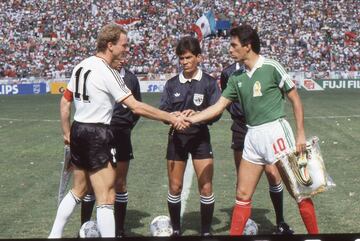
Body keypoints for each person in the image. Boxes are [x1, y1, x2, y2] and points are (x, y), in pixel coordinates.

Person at [48, 23, 188, 238]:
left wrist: (67, 134)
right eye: (124, 45)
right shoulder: (108, 72)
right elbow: (137, 106)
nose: (126, 50)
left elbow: (65, 103)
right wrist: (171, 117)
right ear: (110, 45)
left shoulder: (81, 66)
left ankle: (54, 235)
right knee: (106, 197)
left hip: (79, 130)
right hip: (97, 134)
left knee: (78, 191)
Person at [184, 25, 319, 235]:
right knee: (243, 193)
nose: (229, 50)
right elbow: (218, 106)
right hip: (252, 136)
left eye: (234, 45)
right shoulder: (236, 77)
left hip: (276, 133)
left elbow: (295, 99)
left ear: (247, 46)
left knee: (298, 190)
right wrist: (192, 118)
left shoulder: (272, 67)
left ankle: (316, 237)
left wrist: (300, 133)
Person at [220, 63, 293, 234]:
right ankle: (244, 221)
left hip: (264, 127)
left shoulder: (264, 67)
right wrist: (239, 112)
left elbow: (279, 94)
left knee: (273, 174)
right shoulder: (228, 72)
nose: (231, 49)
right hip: (241, 128)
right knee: (242, 179)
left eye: (234, 44)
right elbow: (226, 100)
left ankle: (280, 221)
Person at [159, 36, 221, 236]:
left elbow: (217, 111)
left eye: (188, 58)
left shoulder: (209, 83)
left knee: (206, 188)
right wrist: (173, 116)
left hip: (201, 139)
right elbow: (163, 111)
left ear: (199, 58)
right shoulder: (171, 84)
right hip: (177, 139)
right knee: (175, 187)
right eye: (181, 59)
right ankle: (176, 230)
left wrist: (197, 116)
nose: (184, 62)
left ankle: (205, 232)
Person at [80, 58, 142, 238]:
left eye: (124, 56)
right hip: (99, 134)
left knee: (120, 183)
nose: (121, 60)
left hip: (121, 135)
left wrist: (126, 125)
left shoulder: (131, 79)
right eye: (117, 57)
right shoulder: (99, 75)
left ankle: (119, 230)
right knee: (91, 185)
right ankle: (85, 228)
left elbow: (137, 107)